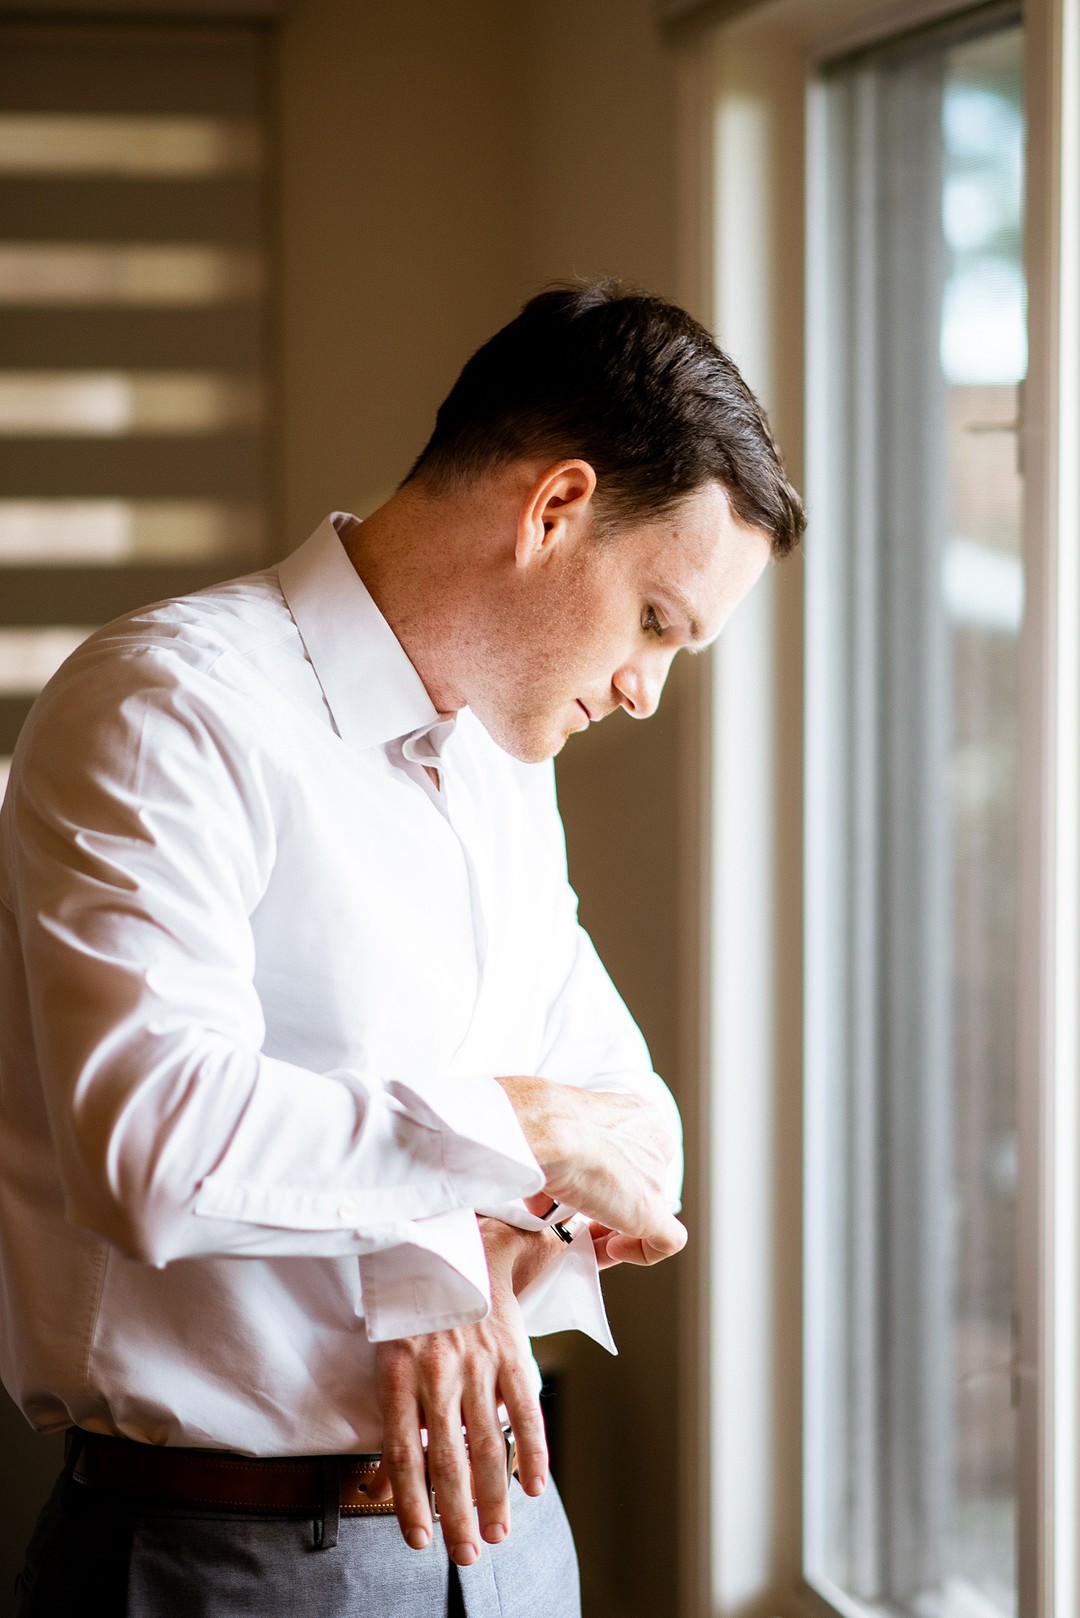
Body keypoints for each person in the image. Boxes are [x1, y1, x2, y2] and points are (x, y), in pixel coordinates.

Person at [0, 280, 805, 1617]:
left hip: (512, 1541)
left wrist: (461, 1242)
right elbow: (152, 1142)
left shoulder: (502, 773)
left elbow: (639, 1126)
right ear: (554, 510)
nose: (646, 690)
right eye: (656, 620)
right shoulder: (166, 710)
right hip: (224, 1560)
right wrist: (509, 1146)